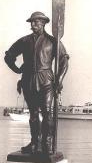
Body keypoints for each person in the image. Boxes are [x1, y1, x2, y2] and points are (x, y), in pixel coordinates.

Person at [4, 11, 69, 155]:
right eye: (31, 22)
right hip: (28, 80)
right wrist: (17, 70)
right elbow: (8, 56)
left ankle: (47, 143)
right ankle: (34, 142)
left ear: (44, 23)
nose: (32, 24)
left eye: (36, 21)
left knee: (46, 112)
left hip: (46, 80)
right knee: (33, 114)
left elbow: (64, 60)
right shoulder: (24, 41)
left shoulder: (53, 41)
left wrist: (59, 79)